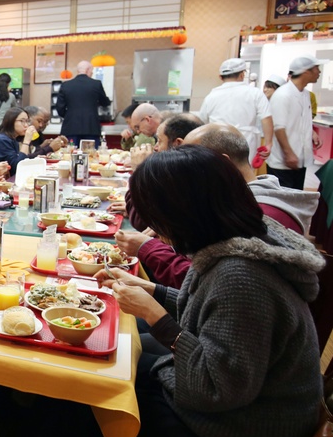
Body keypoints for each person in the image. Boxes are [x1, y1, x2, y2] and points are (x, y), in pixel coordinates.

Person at [91, 145, 322, 437]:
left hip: (245, 434)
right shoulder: (237, 238)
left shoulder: (241, 274)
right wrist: (156, 292)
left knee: (105, 404)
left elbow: (215, 389)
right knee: (118, 358)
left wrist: (158, 318)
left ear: (181, 212)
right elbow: (213, 315)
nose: (156, 231)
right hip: (249, 403)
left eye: (158, 218)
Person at [118, 123, 320, 289]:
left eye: (190, 162)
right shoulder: (233, 202)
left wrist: (150, 249)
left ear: (220, 165)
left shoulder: (259, 216)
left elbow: (209, 282)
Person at [267, 56, 326, 190]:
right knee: (284, 200)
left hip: (299, 158)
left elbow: (301, 119)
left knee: (296, 196)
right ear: (306, 72)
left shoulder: (305, 94)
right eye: (316, 69)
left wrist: (312, 134)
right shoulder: (283, 95)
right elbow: (279, 128)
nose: (319, 72)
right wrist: (289, 153)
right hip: (284, 161)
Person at [197, 58, 273, 158]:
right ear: (242, 74)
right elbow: (266, 118)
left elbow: (201, 122)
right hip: (246, 140)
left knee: (221, 171)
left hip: (218, 141)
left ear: (220, 77)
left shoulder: (211, 96)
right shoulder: (255, 93)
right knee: (244, 171)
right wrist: (268, 143)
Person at [0, 107, 58, 176]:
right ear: (11, 121)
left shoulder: (13, 139)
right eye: (22, 121)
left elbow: (21, 159)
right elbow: (17, 167)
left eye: (27, 121)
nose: (26, 125)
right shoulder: (2, 140)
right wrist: (26, 141)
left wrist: (35, 159)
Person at [55, 60, 110, 146]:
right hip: (91, 127)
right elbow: (105, 103)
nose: (92, 73)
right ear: (88, 70)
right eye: (91, 71)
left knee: (69, 154)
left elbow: (59, 107)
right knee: (91, 155)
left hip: (70, 128)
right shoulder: (96, 84)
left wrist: (70, 115)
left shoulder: (66, 85)